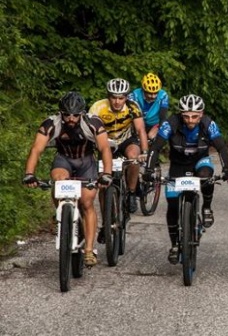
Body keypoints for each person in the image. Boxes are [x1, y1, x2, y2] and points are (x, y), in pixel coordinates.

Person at [23, 92, 113, 267]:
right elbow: (36, 149)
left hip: (86, 162)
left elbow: (104, 148)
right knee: (59, 182)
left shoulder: (93, 123)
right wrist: (29, 173)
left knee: (87, 203)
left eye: (75, 115)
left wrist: (107, 173)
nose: (71, 118)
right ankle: (63, 216)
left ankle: (88, 250)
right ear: (61, 113)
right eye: (67, 114)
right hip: (63, 159)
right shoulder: (51, 123)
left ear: (82, 113)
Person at [143, 94, 228, 264]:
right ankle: (175, 244)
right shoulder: (171, 123)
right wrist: (148, 169)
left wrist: (227, 169)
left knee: (207, 176)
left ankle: (206, 207)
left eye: (195, 116)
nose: (190, 120)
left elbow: (221, 147)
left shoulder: (208, 124)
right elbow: (156, 147)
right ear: (180, 114)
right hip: (178, 164)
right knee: (173, 205)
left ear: (201, 114)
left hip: (200, 161)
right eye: (186, 116)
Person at [89, 78, 149, 215]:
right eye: (113, 98)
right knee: (104, 182)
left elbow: (140, 130)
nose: (117, 102)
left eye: (121, 98)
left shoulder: (132, 106)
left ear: (126, 97)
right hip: (105, 142)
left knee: (133, 158)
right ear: (108, 96)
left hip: (126, 140)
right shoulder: (98, 107)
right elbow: (89, 130)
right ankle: (106, 220)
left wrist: (145, 152)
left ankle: (132, 193)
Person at [128, 72, 169, 142]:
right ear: (143, 90)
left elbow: (163, 117)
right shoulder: (134, 95)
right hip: (138, 121)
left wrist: (158, 127)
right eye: (149, 93)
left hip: (154, 123)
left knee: (151, 136)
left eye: (156, 93)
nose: (153, 96)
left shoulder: (163, 95)